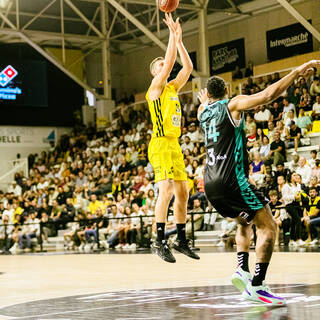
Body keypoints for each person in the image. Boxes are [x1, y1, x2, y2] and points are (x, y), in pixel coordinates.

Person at [197, 59, 320, 305]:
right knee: (269, 226)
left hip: (209, 183)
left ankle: (242, 269)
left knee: (244, 221)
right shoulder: (232, 104)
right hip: (231, 179)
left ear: (207, 95)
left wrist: (204, 102)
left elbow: (205, 106)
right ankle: (258, 286)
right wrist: (295, 72)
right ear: (227, 93)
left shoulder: (202, 112)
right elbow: (267, 95)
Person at [146, 13, 199, 262]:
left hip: (174, 144)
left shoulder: (173, 88)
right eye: (158, 66)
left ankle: (181, 239)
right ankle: (158, 241)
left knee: (183, 192)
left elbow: (187, 67)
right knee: (165, 191)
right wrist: (170, 34)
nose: (163, 66)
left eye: (162, 64)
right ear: (154, 74)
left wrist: (179, 41)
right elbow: (169, 64)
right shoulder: (155, 89)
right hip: (159, 143)